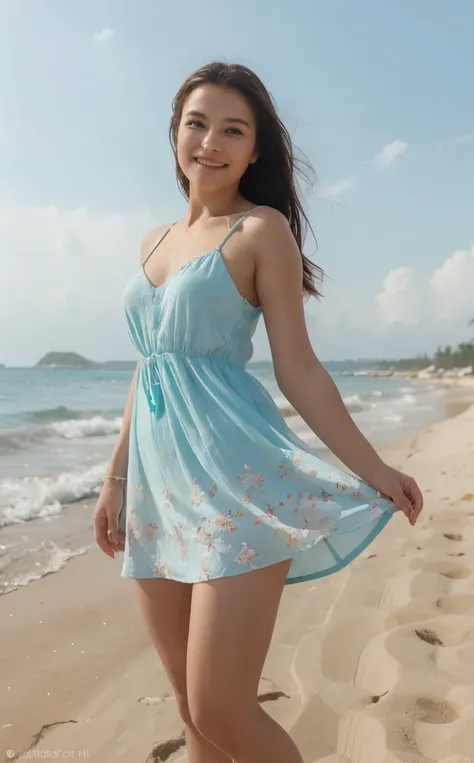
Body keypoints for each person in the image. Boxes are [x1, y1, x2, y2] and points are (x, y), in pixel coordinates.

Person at [93, 61, 423, 763]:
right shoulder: (150, 241)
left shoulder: (259, 229)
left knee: (221, 705)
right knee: (191, 710)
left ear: (254, 150)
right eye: (197, 122)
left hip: (233, 482)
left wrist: (374, 467)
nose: (210, 140)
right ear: (175, 132)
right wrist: (115, 478)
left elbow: (298, 369)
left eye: (232, 130)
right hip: (158, 490)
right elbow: (150, 365)